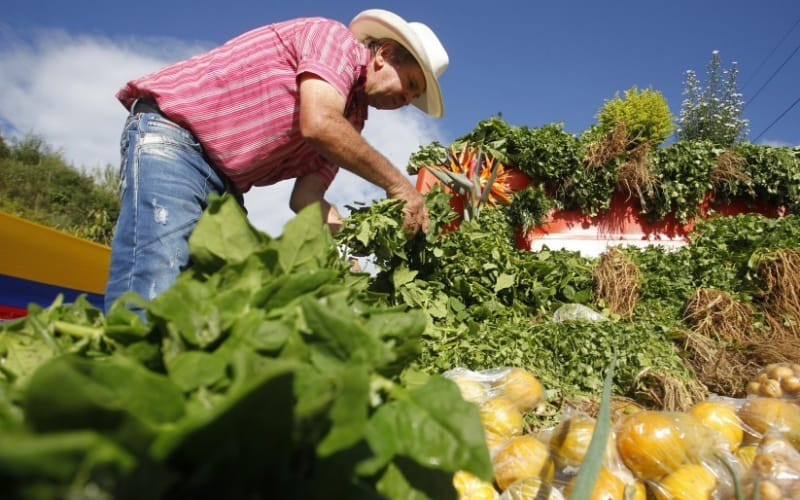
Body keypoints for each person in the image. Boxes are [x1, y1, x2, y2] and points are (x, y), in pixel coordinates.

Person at [103, 9, 449, 316]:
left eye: (414, 97)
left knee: (222, 303)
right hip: (177, 141)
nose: (406, 100)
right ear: (385, 54)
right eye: (411, 84)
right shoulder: (335, 41)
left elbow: (306, 198)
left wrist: (350, 242)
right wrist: (399, 186)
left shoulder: (352, 122)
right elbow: (319, 124)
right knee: (157, 280)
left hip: (224, 184)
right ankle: (123, 375)